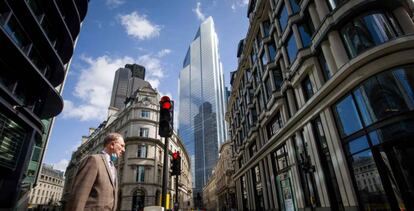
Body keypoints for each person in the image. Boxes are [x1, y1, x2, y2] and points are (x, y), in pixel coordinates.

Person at [65, 133, 125, 211]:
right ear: (112, 144)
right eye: (122, 146)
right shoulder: (94, 160)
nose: (123, 150)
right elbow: (79, 196)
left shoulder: (113, 168)